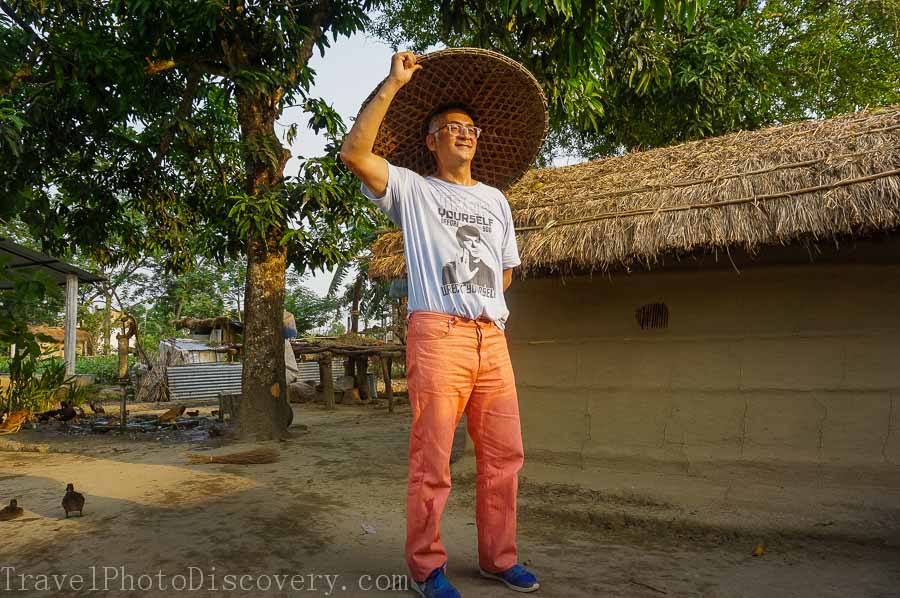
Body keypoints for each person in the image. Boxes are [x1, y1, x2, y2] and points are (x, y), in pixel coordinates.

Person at [340, 51, 540, 597]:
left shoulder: (497, 200)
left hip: (490, 340)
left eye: (470, 129)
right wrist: (393, 82)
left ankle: (499, 558)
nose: (464, 135)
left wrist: (479, 308)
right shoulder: (413, 189)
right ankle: (427, 567)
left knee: (504, 457)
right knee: (433, 458)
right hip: (437, 334)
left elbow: (504, 272)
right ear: (431, 141)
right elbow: (354, 152)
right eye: (451, 128)